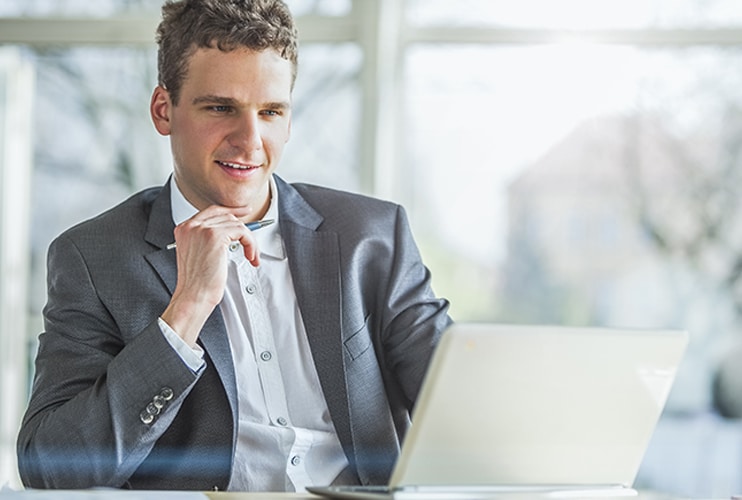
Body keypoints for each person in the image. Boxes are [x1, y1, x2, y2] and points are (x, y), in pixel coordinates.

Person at [16, 0, 451, 492]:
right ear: (164, 110)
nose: (250, 140)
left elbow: (468, 411)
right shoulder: (93, 259)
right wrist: (185, 313)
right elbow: (50, 468)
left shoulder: (371, 237)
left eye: (270, 112)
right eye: (221, 108)